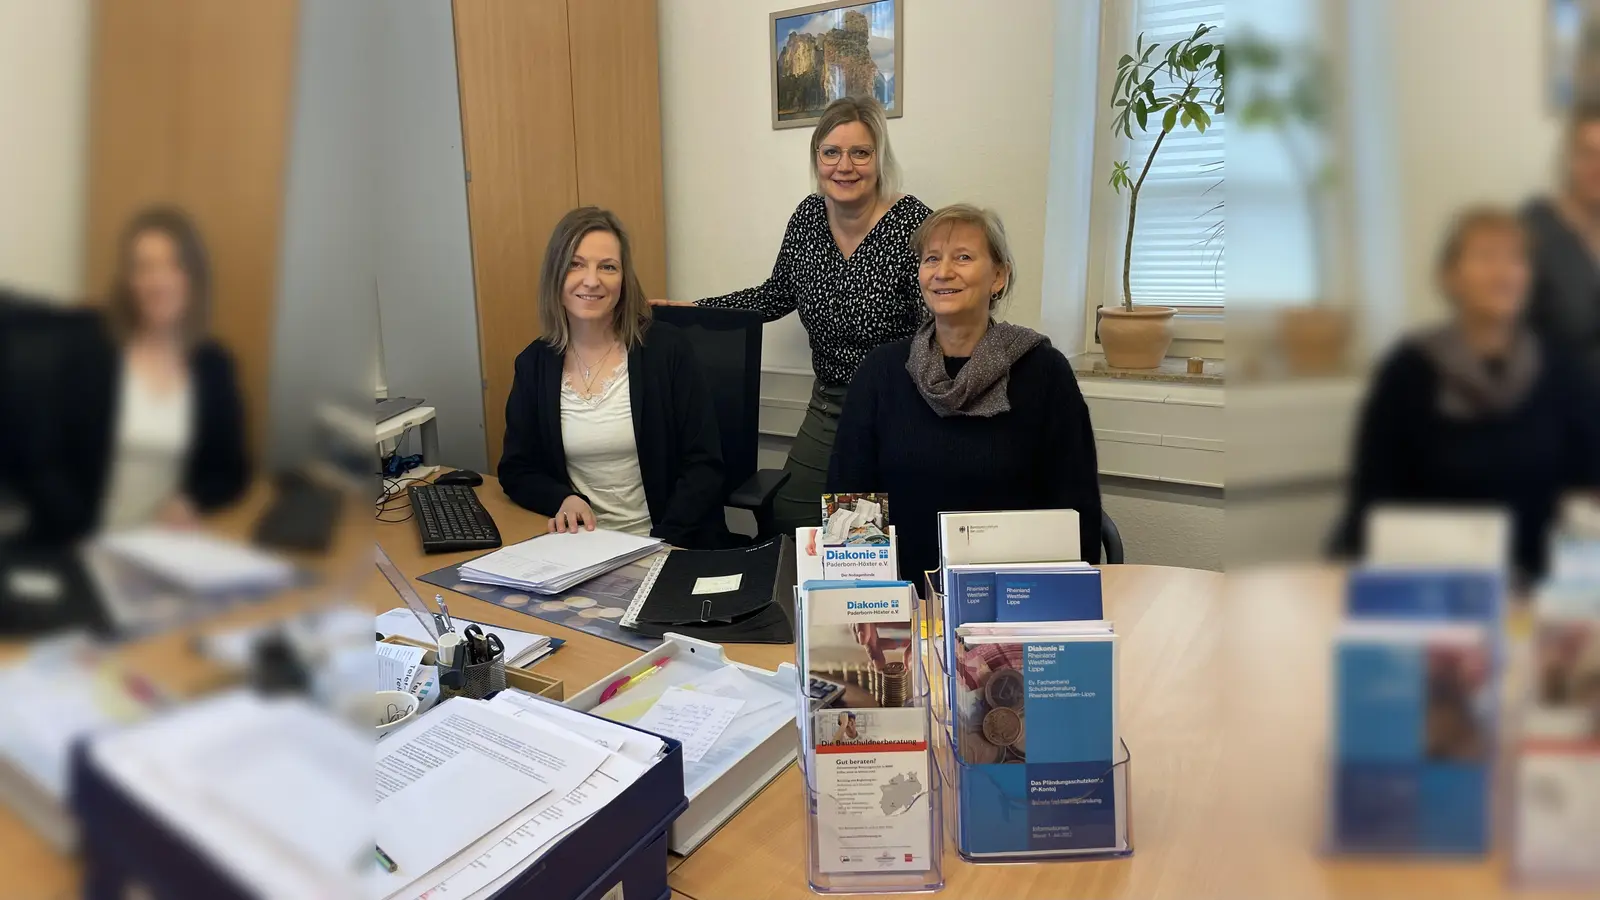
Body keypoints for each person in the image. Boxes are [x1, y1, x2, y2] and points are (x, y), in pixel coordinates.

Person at [653, 97, 932, 535]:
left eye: (860, 152)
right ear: (817, 158)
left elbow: (936, 325)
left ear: (880, 159)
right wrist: (698, 309)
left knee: (871, 534)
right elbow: (775, 294)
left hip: (900, 403)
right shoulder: (807, 218)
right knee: (791, 519)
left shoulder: (913, 224)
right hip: (831, 403)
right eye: (831, 153)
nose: (845, 166)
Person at [827, 204, 1103, 585]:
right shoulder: (882, 371)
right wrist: (867, 608)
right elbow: (850, 503)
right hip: (899, 602)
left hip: (1012, 604)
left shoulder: (1044, 372)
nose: (943, 272)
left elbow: (1076, 510)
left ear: (998, 276)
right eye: (932, 259)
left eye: (963, 257)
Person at [1332, 207, 1600, 581]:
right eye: (1487, 256)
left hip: (1541, 589)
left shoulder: (1563, 372)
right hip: (1430, 586)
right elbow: (1373, 500)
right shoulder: (1409, 371)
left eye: (1516, 258)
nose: (1504, 271)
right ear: (1449, 277)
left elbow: (1588, 493)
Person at [498, 207, 732, 549]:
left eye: (608, 267)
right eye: (576, 264)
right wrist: (562, 499)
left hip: (669, 544)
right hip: (582, 548)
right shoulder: (534, 363)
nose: (592, 280)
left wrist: (661, 545)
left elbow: (704, 466)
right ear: (556, 274)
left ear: (623, 279)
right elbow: (517, 468)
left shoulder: (666, 350)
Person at [12, 208, 250, 540]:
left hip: (164, 548)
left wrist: (192, 501)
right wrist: (85, 537)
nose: (159, 281)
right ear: (129, 281)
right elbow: (40, 461)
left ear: (194, 276)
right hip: (80, 542)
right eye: (144, 268)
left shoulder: (213, 365)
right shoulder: (88, 350)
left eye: (174, 265)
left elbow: (231, 472)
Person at [1524, 102, 1600, 389]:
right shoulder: (1534, 230)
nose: (1598, 165)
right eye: (1587, 153)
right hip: (1561, 412)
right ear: (1569, 157)